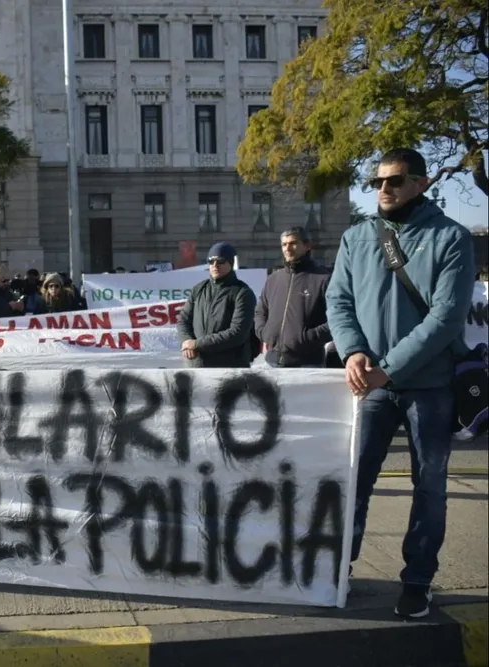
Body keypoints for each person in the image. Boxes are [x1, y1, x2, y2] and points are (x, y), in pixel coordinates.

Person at [327, 148, 475, 619]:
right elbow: (339, 301)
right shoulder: (356, 238)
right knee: (354, 482)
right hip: (369, 386)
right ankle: (338, 570)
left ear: (421, 183)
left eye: (394, 181)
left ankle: (417, 580)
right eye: (377, 182)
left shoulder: (451, 237)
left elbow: (447, 318)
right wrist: (353, 351)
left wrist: (388, 367)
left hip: (428, 386)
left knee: (429, 486)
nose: (384, 190)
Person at [255, 227, 332, 367]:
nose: (287, 249)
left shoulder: (323, 279)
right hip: (272, 361)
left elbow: (337, 318)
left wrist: (308, 337)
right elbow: (260, 311)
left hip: (308, 364)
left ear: (307, 246)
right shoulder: (273, 279)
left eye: (293, 243)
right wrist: (264, 333)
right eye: (284, 244)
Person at [176, 242, 256, 368]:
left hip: (229, 368)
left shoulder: (242, 293)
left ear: (231, 263)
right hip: (197, 366)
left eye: (220, 261)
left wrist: (197, 344)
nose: (215, 266)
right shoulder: (199, 289)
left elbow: (237, 333)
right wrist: (187, 342)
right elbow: (183, 320)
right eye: (211, 262)